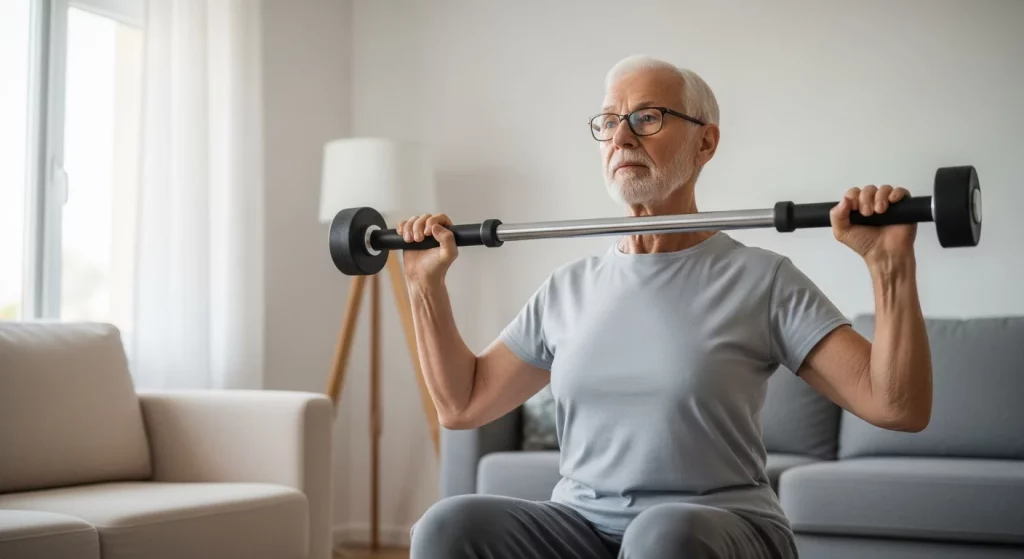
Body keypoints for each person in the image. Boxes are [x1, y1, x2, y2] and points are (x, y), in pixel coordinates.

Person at [398, 55, 932, 559]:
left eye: (646, 118)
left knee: (664, 533)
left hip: (722, 527)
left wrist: (890, 267)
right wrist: (425, 286)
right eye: (608, 122)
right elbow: (462, 404)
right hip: (583, 528)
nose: (622, 136)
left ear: (706, 142)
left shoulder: (760, 279)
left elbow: (896, 407)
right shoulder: (568, 287)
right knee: (448, 526)